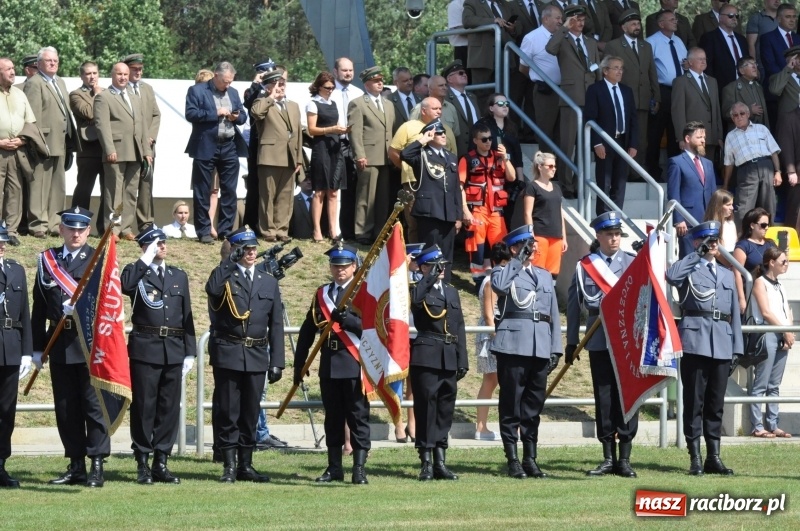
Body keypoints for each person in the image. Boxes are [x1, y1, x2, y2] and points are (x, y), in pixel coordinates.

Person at [32, 207, 110, 487]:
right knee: (66, 408)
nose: (76, 234)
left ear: (88, 231)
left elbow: (108, 304)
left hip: (89, 344)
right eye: (71, 228)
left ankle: (97, 463)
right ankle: (76, 464)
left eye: (81, 229)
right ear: (61, 229)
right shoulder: (48, 260)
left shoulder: (97, 260)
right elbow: (39, 307)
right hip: (59, 343)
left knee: (93, 406)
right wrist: (37, 348)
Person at [206, 226, 285, 483]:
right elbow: (212, 289)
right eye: (245, 249)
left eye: (253, 248)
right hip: (229, 352)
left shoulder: (267, 281)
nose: (251, 253)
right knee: (229, 411)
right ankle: (229, 466)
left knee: (250, 412)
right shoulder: (225, 277)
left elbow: (275, 325)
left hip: (256, 353)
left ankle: (246, 465)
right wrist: (229, 260)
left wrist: (277, 362)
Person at [666, 221, 743, 475]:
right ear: (697, 242)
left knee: (715, 403)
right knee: (694, 401)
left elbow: (734, 314)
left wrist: (737, 348)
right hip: (695, 341)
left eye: (716, 240)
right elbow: (672, 275)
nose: (713, 245)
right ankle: (695, 456)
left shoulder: (726, 274)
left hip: (722, 340)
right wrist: (696, 254)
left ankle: (714, 456)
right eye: (708, 240)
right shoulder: (689, 268)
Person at [120, 227, 196, 485]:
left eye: (163, 243)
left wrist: (190, 351)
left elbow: (187, 315)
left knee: (168, 407)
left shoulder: (178, 275)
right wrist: (145, 258)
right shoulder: (136, 272)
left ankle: (161, 460)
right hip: (145, 347)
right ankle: (142, 460)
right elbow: (125, 285)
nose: (162, 247)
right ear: (144, 246)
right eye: (156, 244)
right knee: (144, 406)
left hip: (173, 348)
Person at [566, 212, 638, 478]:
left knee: (627, 396)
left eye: (617, 233)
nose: (614, 238)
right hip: (598, 339)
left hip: (626, 340)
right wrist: (571, 341)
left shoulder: (633, 263)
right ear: (598, 236)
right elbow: (575, 306)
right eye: (609, 234)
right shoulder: (586, 266)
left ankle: (626, 458)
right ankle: (608, 456)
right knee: (604, 397)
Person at [293, 243, 371, 484]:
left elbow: (374, 329)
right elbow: (308, 329)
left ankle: (359, 468)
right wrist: (299, 363)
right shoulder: (322, 294)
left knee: (358, 416)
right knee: (333, 418)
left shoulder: (364, 292)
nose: (340, 271)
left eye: (345, 266)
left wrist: (348, 320)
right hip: (329, 363)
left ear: (354, 266)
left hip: (354, 362)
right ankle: (334, 466)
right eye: (336, 266)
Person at [491, 225, 561, 479]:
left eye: (533, 245)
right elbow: (498, 287)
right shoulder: (503, 271)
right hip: (513, 346)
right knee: (511, 404)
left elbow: (552, 313)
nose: (533, 249)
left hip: (540, 346)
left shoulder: (543, 276)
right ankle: (512, 459)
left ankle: (530, 458)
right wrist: (517, 261)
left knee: (533, 406)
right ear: (514, 248)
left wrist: (556, 348)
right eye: (526, 245)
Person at [410, 245, 467, 481]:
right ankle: (425, 461)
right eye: (435, 265)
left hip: (448, 355)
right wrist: (428, 276)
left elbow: (459, 326)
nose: (441, 269)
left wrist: (462, 358)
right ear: (424, 267)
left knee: (445, 409)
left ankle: (440, 462)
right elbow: (415, 301)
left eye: (441, 265)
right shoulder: (417, 288)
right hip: (426, 354)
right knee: (425, 409)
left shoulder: (451, 292)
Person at [185, 62, 249, 245]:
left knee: (229, 190)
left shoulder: (234, 93)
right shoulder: (196, 91)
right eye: (225, 82)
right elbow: (191, 114)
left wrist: (236, 117)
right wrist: (215, 112)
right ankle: (204, 231)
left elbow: (243, 116)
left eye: (230, 82)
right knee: (203, 190)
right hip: (206, 145)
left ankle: (226, 230)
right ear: (216, 75)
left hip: (229, 145)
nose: (227, 85)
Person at [547, 4, 602, 199]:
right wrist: (564, 28)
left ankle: (580, 184)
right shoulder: (562, 38)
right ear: (568, 20)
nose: (579, 23)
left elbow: (597, 70)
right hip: (571, 97)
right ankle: (565, 184)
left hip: (590, 97)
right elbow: (550, 49)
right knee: (567, 144)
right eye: (575, 19)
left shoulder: (590, 42)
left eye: (582, 20)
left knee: (584, 146)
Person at [94, 62, 153, 241]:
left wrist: (146, 151)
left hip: (135, 151)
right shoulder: (103, 97)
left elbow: (142, 125)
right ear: (112, 75)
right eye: (119, 74)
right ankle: (112, 229)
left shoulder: (134, 96)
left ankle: (126, 228)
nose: (123, 77)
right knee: (114, 193)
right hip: (116, 152)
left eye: (126, 74)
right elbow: (102, 126)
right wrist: (109, 148)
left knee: (130, 192)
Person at [23, 46, 76, 238]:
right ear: (38, 64)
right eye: (48, 61)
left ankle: (55, 224)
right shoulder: (35, 83)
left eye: (55, 60)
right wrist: (36, 143)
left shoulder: (60, 82)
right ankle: (38, 224)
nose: (53, 63)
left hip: (61, 142)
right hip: (43, 142)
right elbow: (32, 116)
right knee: (39, 185)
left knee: (57, 186)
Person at [400, 119, 462, 280]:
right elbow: (405, 154)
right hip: (429, 211)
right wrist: (422, 141)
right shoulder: (422, 154)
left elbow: (456, 189)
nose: (443, 136)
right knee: (430, 252)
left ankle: (444, 287)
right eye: (438, 133)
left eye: (443, 133)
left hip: (448, 212)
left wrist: (458, 216)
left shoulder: (451, 157)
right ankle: (427, 285)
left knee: (446, 254)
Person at [390, 97, 458, 243]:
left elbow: (453, 157)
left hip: (441, 186)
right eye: (435, 109)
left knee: (440, 222)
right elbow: (394, 151)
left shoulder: (447, 130)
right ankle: (415, 258)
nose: (439, 111)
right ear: (423, 110)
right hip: (414, 183)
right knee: (415, 223)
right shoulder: (408, 126)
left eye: (440, 108)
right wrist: (406, 167)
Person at [460, 122, 516, 286]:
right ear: (475, 140)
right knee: (477, 247)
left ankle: (501, 280)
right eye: (484, 139)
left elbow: (512, 177)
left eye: (490, 139)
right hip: (477, 210)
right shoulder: (468, 159)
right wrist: (465, 211)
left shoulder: (499, 158)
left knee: (502, 247)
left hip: (496, 211)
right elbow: (460, 187)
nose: (488, 142)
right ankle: (479, 283)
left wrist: (506, 158)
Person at [250, 69, 303, 242]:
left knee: (285, 196)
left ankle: (282, 229)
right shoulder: (262, 102)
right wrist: (270, 96)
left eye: (282, 84)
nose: (280, 88)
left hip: (289, 157)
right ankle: (268, 230)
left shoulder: (293, 105)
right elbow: (256, 113)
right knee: (268, 195)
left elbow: (298, 134)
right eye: (276, 85)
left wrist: (299, 158)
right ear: (267, 87)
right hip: (270, 156)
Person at [604, 9, 660, 171]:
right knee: (622, 136)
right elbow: (607, 74)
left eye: (638, 24)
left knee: (641, 138)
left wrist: (656, 96)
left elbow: (652, 73)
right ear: (624, 27)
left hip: (643, 99)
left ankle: (637, 171)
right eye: (633, 24)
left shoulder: (646, 46)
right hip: (621, 100)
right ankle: (621, 171)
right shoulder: (613, 45)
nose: (637, 27)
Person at [749, 247, 794, 438]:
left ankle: (773, 423)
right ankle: (757, 426)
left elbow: (787, 311)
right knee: (761, 383)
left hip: (782, 335)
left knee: (774, 385)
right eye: (783, 261)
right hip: (768, 334)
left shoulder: (780, 286)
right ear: (771, 262)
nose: (786, 264)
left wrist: (788, 332)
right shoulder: (760, 283)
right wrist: (784, 331)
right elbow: (766, 312)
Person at [585, 55, 639, 216]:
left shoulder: (626, 91)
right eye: (615, 68)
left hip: (623, 142)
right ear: (605, 71)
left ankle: (616, 220)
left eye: (621, 68)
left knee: (620, 183)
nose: (619, 71)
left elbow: (633, 119)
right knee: (604, 182)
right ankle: (603, 220)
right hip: (605, 142)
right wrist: (596, 143)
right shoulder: (595, 90)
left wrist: (633, 144)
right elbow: (590, 118)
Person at [348, 66, 396, 245]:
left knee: (382, 198)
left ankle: (380, 231)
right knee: (366, 196)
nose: (380, 83)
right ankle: (362, 231)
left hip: (386, 156)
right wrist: (359, 154)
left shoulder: (388, 104)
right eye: (376, 81)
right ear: (367, 83)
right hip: (368, 156)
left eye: (381, 80)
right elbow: (355, 132)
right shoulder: (358, 103)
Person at [0, 221, 32, 488]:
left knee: (6, 410)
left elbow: (25, 315)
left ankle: (0, 464)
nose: (0, 247)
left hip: (10, 347)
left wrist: (25, 352)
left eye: (2, 242)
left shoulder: (16, 271)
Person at [722, 102, 782, 229]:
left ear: (748, 114)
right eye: (735, 115)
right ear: (732, 118)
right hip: (746, 170)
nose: (739, 117)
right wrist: (726, 184)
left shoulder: (762, 128)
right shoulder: (730, 136)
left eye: (742, 113)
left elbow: (773, 151)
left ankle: (768, 239)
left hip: (766, 166)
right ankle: (743, 241)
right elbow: (729, 162)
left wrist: (778, 172)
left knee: (768, 205)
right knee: (744, 208)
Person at [646, 9, 689, 180]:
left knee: (676, 131)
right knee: (656, 133)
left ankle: (674, 170)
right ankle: (653, 171)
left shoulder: (678, 41)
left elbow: (685, 61)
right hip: (661, 91)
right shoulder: (651, 42)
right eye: (671, 19)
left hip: (679, 91)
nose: (675, 21)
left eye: (676, 19)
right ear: (661, 23)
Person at [474, 242, 510, 441]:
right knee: (491, 380)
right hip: (491, 334)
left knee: (496, 380)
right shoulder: (491, 281)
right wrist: (498, 337)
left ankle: (485, 426)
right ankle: (481, 427)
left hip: (496, 332)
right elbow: (489, 315)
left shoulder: (493, 279)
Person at [307, 71, 348, 243]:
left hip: (335, 147)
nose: (330, 90)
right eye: (327, 87)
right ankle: (316, 229)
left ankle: (333, 229)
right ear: (318, 87)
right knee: (320, 191)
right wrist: (331, 129)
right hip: (321, 147)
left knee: (333, 190)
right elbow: (312, 129)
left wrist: (342, 130)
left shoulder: (333, 103)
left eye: (332, 87)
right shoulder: (313, 103)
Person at [667, 121, 716, 257]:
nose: (703, 141)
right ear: (687, 139)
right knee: (688, 260)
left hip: (707, 220)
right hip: (687, 223)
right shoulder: (676, 162)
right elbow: (673, 194)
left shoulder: (708, 164)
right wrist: (678, 220)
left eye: (704, 138)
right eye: (699, 138)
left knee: (707, 261)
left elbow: (712, 193)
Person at [123, 54, 161, 233]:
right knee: (129, 187)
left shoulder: (147, 88)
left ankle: (145, 224)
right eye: (134, 69)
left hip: (148, 145)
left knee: (146, 185)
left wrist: (151, 136)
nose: (138, 72)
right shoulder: (121, 89)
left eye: (140, 69)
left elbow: (156, 114)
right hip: (130, 146)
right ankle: (126, 225)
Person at [0, 57, 35, 246]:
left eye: (13, 68)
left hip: (16, 151)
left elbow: (30, 122)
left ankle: (11, 231)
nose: (13, 72)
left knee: (15, 190)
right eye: (8, 69)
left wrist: (22, 139)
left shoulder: (20, 94)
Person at [476, 93, 524, 228]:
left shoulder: (512, 126)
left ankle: (504, 247)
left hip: (510, 176)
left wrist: (520, 180)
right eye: (500, 104)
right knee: (490, 215)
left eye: (507, 104)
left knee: (508, 216)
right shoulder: (483, 125)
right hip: (490, 176)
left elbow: (517, 154)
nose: (505, 107)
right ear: (491, 108)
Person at [69, 61, 106, 234]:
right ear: (82, 76)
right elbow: (89, 113)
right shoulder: (76, 95)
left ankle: (104, 228)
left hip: (106, 148)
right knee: (84, 189)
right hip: (88, 149)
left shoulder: (108, 92)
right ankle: (78, 223)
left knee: (108, 191)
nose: (92, 77)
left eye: (95, 73)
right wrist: (98, 96)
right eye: (88, 74)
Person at [519, 3, 564, 145]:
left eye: (561, 18)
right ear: (545, 19)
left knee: (562, 134)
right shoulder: (531, 38)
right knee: (546, 133)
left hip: (564, 91)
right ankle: (546, 165)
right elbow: (523, 68)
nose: (561, 22)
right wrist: (539, 79)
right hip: (545, 92)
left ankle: (561, 167)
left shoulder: (564, 36)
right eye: (557, 18)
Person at [671, 48, 723, 166]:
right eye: (700, 59)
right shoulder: (681, 82)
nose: (703, 61)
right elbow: (678, 111)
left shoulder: (712, 81)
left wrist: (719, 135)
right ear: (690, 62)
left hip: (711, 136)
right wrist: (681, 137)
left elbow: (716, 110)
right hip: (692, 136)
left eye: (705, 59)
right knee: (693, 170)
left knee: (708, 170)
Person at [330, 58, 363, 241]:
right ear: (335, 71)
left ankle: (348, 231)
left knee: (351, 188)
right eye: (344, 70)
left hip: (353, 144)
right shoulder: (328, 91)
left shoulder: (358, 93)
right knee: (333, 188)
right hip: (334, 142)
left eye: (350, 70)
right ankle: (330, 230)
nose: (348, 73)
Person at [462, 0, 519, 99]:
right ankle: (482, 115)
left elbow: (519, 24)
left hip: (504, 55)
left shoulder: (505, 4)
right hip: (482, 56)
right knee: (481, 94)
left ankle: (500, 114)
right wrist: (492, 21)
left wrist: (513, 28)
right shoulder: (472, 2)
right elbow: (467, 20)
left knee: (502, 94)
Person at [523, 151, 567, 280]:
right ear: (540, 167)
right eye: (550, 166)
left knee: (553, 273)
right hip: (540, 234)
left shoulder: (557, 187)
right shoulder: (532, 187)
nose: (553, 169)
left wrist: (563, 237)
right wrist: (531, 237)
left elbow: (560, 213)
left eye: (554, 166)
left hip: (556, 236)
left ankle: (549, 297)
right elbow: (527, 213)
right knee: (538, 270)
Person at [698, 4, 747, 98]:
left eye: (736, 16)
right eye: (730, 15)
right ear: (720, 18)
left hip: (744, 88)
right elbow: (707, 67)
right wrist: (712, 89)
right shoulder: (709, 38)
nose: (734, 18)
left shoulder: (742, 39)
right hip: (722, 90)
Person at [760, 3, 798, 126]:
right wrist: (789, 78)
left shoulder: (798, 38)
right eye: (788, 17)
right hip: (777, 93)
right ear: (778, 18)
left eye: (794, 16)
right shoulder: (767, 38)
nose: (792, 20)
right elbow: (770, 66)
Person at [733, 208, 777, 311]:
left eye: (768, 225)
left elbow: (780, 266)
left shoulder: (770, 244)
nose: (766, 228)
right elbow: (737, 274)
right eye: (763, 225)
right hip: (750, 292)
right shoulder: (743, 246)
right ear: (752, 225)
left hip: (769, 291)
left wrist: (786, 249)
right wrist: (741, 298)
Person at [442, 60, 480, 157]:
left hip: (477, 149)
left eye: (465, 73)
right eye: (460, 73)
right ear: (449, 78)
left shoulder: (472, 97)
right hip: (457, 151)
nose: (464, 75)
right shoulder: (445, 98)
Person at [720, 57, 769, 130]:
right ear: (741, 70)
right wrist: (749, 110)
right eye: (750, 64)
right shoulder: (730, 88)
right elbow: (726, 114)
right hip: (742, 133)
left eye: (755, 63)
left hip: (760, 133)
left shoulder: (759, 87)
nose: (754, 66)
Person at [777, 91, 800, 233]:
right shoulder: (788, 117)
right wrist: (791, 171)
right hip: (797, 174)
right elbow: (786, 146)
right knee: (795, 212)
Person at [769, 45, 800, 117]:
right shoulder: (779, 77)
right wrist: (788, 68)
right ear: (789, 60)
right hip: (790, 122)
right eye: (797, 58)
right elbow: (775, 90)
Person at [703, 189, 736, 255]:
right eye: (728, 205)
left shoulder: (731, 223)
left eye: (732, 204)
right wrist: (729, 264)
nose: (732, 208)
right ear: (718, 206)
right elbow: (716, 253)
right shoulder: (711, 227)